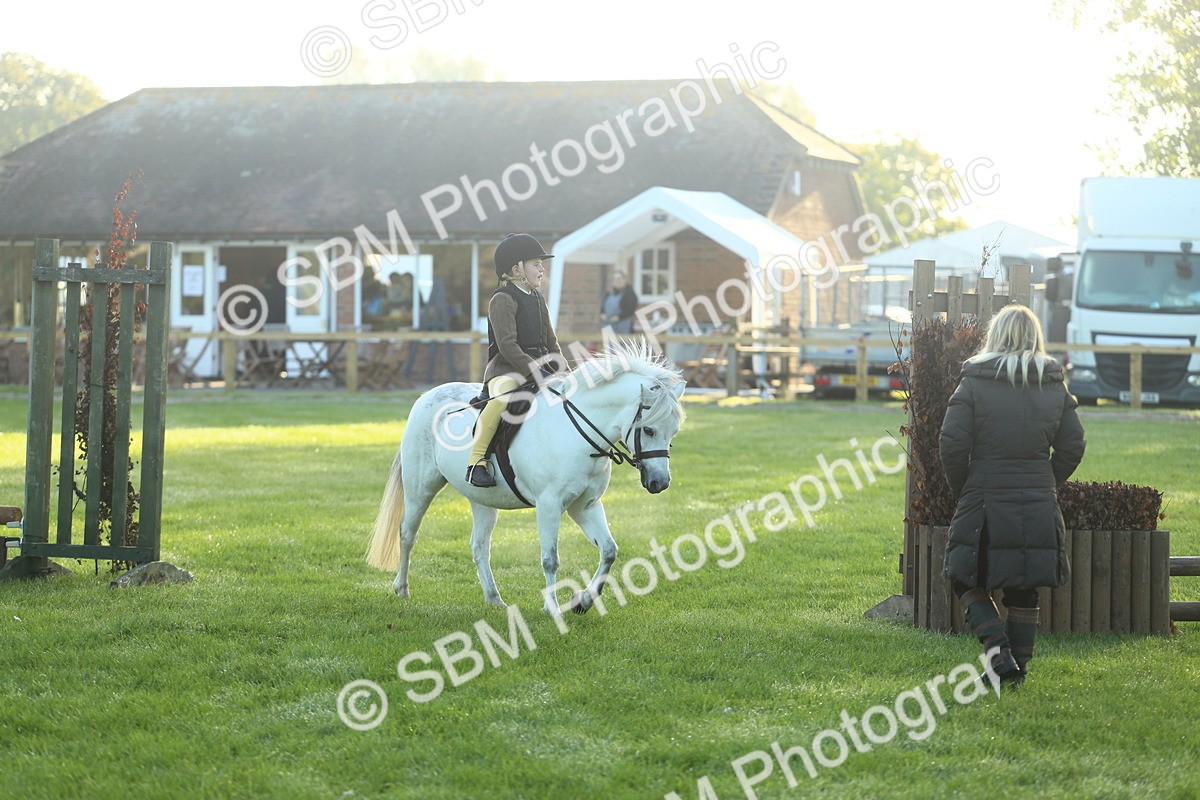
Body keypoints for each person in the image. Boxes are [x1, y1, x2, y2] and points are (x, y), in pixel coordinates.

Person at [939, 304, 1086, 687]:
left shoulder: (974, 381)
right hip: (1037, 498)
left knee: (965, 578)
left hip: (984, 497)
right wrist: (1046, 481)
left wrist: (965, 489)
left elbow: (951, 445)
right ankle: (1013, 671)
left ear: (996, 335)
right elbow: (1073, 446)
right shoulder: (1053, 383)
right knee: (1023, 588)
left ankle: (999, 656)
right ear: (1035, 336)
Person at [466, 233, 563, 487]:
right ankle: (476, 462)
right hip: (506, 370)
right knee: (502, 399)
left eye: (541, 264)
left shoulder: (538, 299)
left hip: (539, 368)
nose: (542, 268)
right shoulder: (502, 299)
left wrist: (563, 370)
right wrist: (535, 371)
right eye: (536, 264)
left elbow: (551, 342)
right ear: (516, 269)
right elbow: (508, 345)